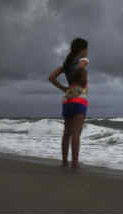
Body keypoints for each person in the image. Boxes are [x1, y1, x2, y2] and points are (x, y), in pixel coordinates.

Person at [48, 37, 89, 170]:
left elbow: (51, 77)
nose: (87, 52)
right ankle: (75, 164)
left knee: (67, 132)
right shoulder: (83, 60)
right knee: (76, 133)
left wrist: (63, 88)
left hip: (67, 97)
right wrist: (79, 75)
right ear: (82, 49)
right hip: (79, 95)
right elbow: (79, 68)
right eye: (86, 49)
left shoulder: (66, 64)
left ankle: (65, 162)